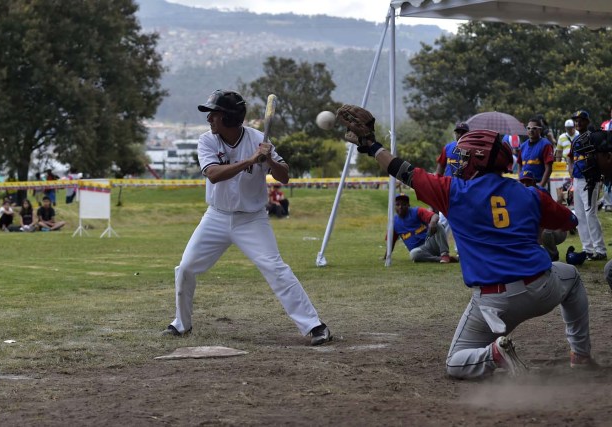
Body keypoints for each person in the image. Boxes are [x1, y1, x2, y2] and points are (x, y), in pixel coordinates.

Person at [336, 104, 593, 379]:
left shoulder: (454, 191)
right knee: (572, 277)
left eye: (463, 157)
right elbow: (570, 222)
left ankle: (493, 354)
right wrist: (541, 227)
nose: (457, 161)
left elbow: (403, 170)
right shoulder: (529, 194)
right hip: (542, 286)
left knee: (456, 363)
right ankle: (580, 355)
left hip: (495, 301)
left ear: (478, 160)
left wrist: (373, 146)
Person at [161, 89, 331, 346]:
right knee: (185, 268)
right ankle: (181, 324)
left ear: (229, 118)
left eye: (214, 115)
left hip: (252, 219)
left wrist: (270, 159)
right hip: (216, 217)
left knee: (276, 269)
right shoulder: (207, 140)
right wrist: (250, 160)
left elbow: (285, 176)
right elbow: (214, 175)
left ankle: (315, 326)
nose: (209, 120)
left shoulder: (258, 140)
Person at [568, 110, 607, 261]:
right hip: (577, 180)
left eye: (581, 120)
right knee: (580, 215)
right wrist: (570, 170)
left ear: (587, 121)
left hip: (589, 179)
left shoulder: (593, 137)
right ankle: (588, 249)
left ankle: (600, 249)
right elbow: (570, 157)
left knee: (590, 213)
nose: (578, 122)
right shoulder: (576, 139)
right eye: (576, 120)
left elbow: (602, 157)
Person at [386, 193, 457, 263]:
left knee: (438, 225)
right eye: (398, 204)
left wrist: (432, 222)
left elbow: (435, 216)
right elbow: (390, 241)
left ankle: (445, 254)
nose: (400, 207)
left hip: (431, 242)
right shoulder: (394, 222)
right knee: (413, 254)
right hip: (419, 250)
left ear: (408, 205)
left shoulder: (417, 211)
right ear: (394, 206)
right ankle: (440, 259)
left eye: (404, 204)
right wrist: (387, 256)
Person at [519, 170, 567, 262]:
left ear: (533, 181)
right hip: (541, 228)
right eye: (523, 182)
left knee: (545, 233)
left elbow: (550, 216)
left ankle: (553, 256)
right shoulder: (521, 194)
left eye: (528, 181)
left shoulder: (541, 193)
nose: (525, 185)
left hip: (556, 229)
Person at [518, 117, 554, 189]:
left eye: (534, 128)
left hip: (538, 183)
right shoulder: (523, 146)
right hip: (525, 184)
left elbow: (548, 168)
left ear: (540, 130)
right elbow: (519, 165)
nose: (531, 130)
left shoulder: (545, 145)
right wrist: (520, 181)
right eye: (528, 128)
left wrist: (541, 185)